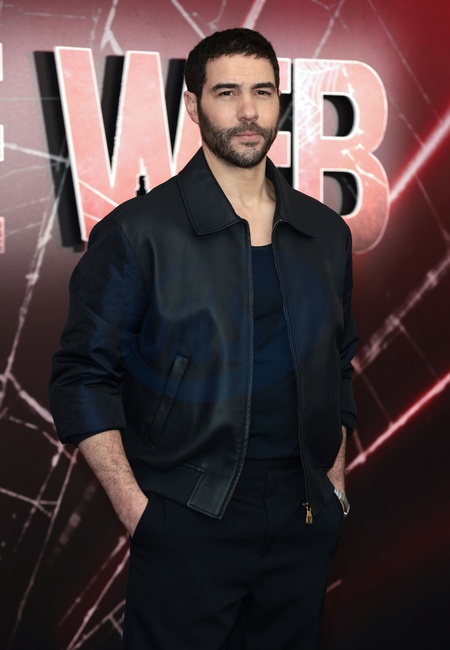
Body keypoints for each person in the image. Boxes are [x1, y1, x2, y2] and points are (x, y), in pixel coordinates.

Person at [49, 27, 357, 650]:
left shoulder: (325, 232)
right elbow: (81, 376)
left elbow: (340, 362)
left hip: (303, 517)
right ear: (193, 105)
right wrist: (140, 512)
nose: (248, 111)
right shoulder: (139, 232)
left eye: (263, 92)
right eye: (227, 92)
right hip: (188, 517)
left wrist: (334, 484)